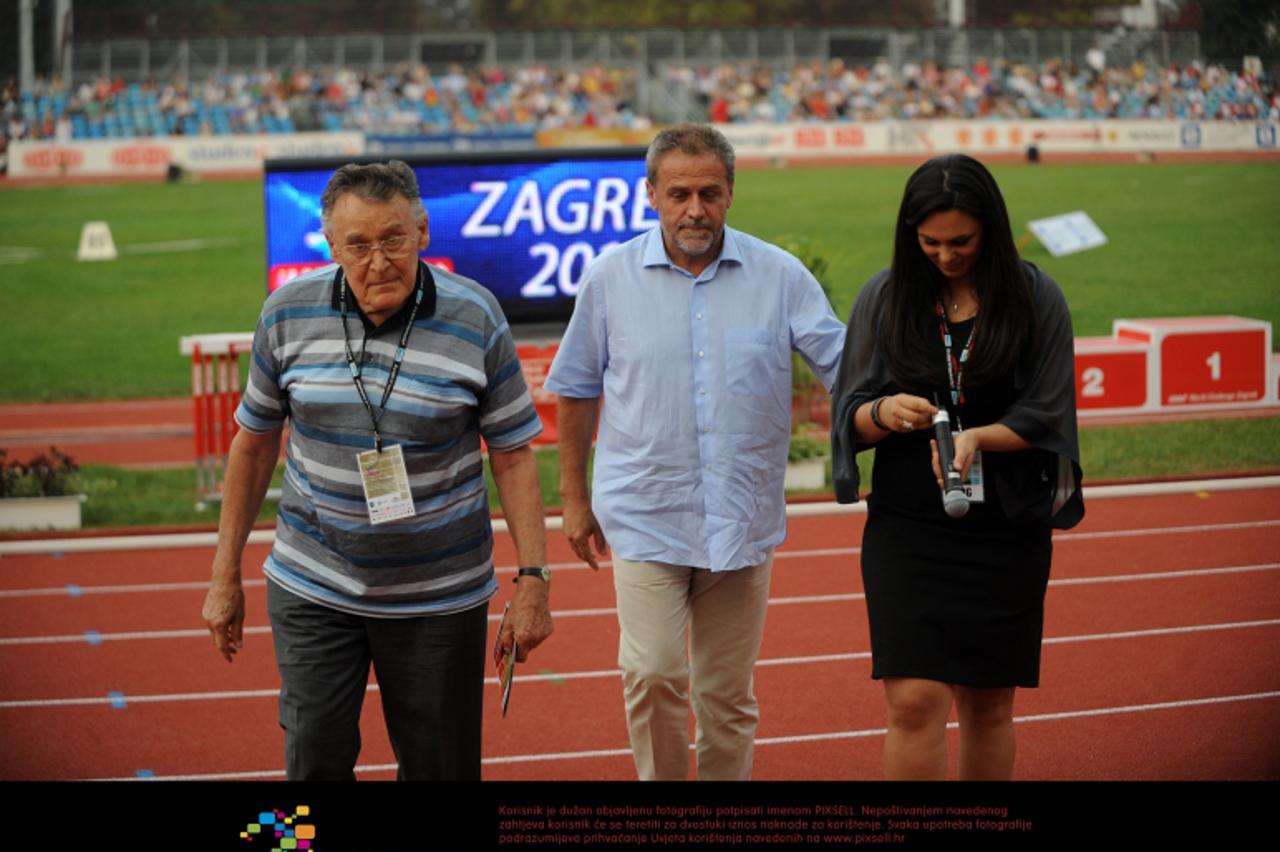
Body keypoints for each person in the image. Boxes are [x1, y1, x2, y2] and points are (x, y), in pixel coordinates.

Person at [200, 160, 553, 781]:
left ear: (423, 231)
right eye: (357, 246)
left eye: (393, 239)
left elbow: (515, 454)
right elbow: (253, 446)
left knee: (440, 768)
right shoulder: (286, 314)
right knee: (312, 763)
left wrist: (533, 578)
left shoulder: (477, 317)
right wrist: (223, 575)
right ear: (331, 246)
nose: (378, 261)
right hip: (314, 582)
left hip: (440, 598)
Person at [545, 123, 847, 781]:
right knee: (652, 672)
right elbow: (573, 388)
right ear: (650, 193)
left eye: (710, 192)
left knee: (726, 695)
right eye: (678, 192)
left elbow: (846, 366)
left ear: (731, 193)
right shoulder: (609, 277)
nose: (695, 209)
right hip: (645, 514)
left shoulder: (780, 276)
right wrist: (573, 499)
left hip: (741, 519)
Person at [830, 153, 1084, 780]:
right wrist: (885, 411)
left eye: (961, 242)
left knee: (989, 704)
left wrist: (979, 439)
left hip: (1006, 525)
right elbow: (850, 415)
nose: (945, 256)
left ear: (991, 230)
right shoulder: (884, 297)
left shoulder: (1035, 297)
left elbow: (1048, 411)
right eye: (930, 243)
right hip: (910, 526)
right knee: (914, 700)